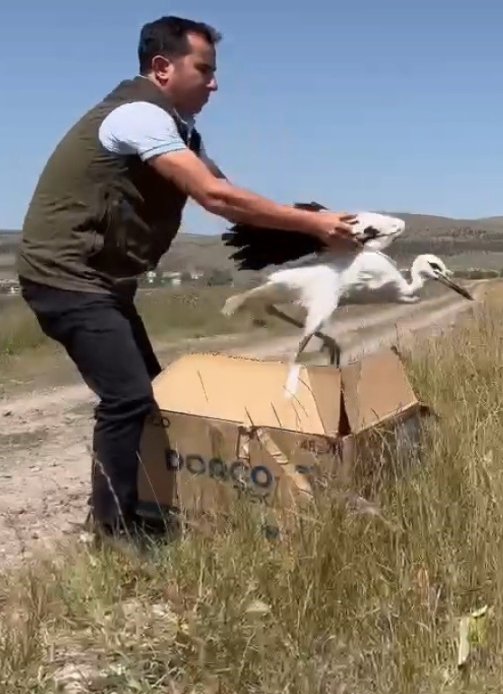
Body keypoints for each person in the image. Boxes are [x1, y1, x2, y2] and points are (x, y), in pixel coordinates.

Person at [15, 15, 361, 549]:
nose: (215, 83)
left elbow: (230, 198)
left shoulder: (178, 131)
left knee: (154, 397)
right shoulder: (137, 117)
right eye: (205, 69)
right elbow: (213, 197)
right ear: (161, 67)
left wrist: (316, 223)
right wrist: (313, 225)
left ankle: (149, 506)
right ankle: (113, 534)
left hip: (101, 283)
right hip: (66, 276)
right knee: (128, 399)